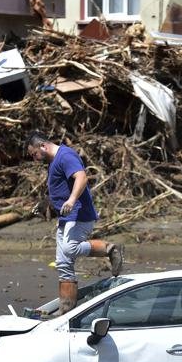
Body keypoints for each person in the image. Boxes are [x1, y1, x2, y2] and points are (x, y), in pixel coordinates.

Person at [24, 131, 123, 314]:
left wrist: (71, 200)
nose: (35, 159)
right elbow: (59, 188)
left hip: (79, 215)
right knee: (63, 263)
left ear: (43, 146)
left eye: (34, 154)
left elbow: (81, 177)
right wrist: (45, 203)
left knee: (70, 248)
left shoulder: (65, 155)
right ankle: (66, 310)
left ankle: (110, 249)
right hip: (66, 217)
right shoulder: (53, 162)